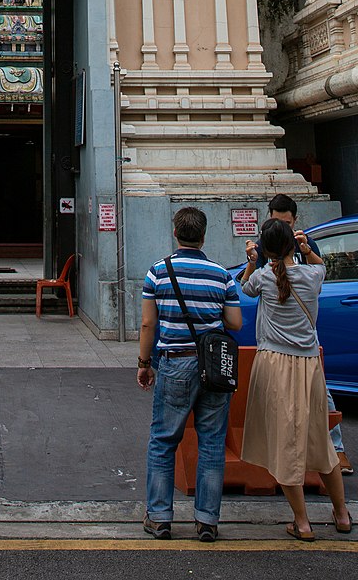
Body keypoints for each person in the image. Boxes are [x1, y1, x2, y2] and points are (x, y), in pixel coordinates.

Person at [240, 219, 352, 541]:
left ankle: (302, 522)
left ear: (265, 249)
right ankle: (341, 514)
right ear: (292, 242)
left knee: (283, 442)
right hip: (309, 366)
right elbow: (323, 268)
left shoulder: (263, 277)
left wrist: (251, 260)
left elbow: (245, 288)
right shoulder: (312, 275)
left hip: (274, 364)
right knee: (320, 440)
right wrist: (306, 250)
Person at [137, 205, 242, 543]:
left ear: (175, 232)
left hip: (175, 362)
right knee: (212, 443)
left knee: (164, 441)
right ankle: (207, 521)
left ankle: (159, 517)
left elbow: (148, 323)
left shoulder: (158, 272)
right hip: (212, 367)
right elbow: (235, 323)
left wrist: (143, 363)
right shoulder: (221, 274)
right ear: (204, 235)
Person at [268, 194, 353, 476]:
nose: (281, 229)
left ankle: (336, 448)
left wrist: (304, 250)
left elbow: (318, 277)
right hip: (276, 336)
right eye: (276, 223)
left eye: (286, 224)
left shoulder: (306, 247)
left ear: (295, 222)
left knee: (320, 394)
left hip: (303, 336)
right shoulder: (264, 246)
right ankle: (286, 451)